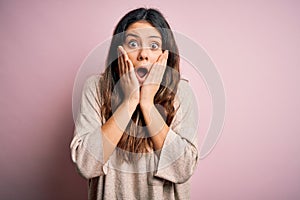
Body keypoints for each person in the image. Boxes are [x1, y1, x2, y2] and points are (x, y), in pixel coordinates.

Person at [70, 7, 199, 200]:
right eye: (133, 43)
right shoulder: (95, 88)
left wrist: (146, 103)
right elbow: (86, 165)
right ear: (118, 51)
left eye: (154, 46)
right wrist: (130, 101)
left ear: (165, 55)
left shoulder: (181, 92)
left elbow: (182, 169)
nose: (143, 55)